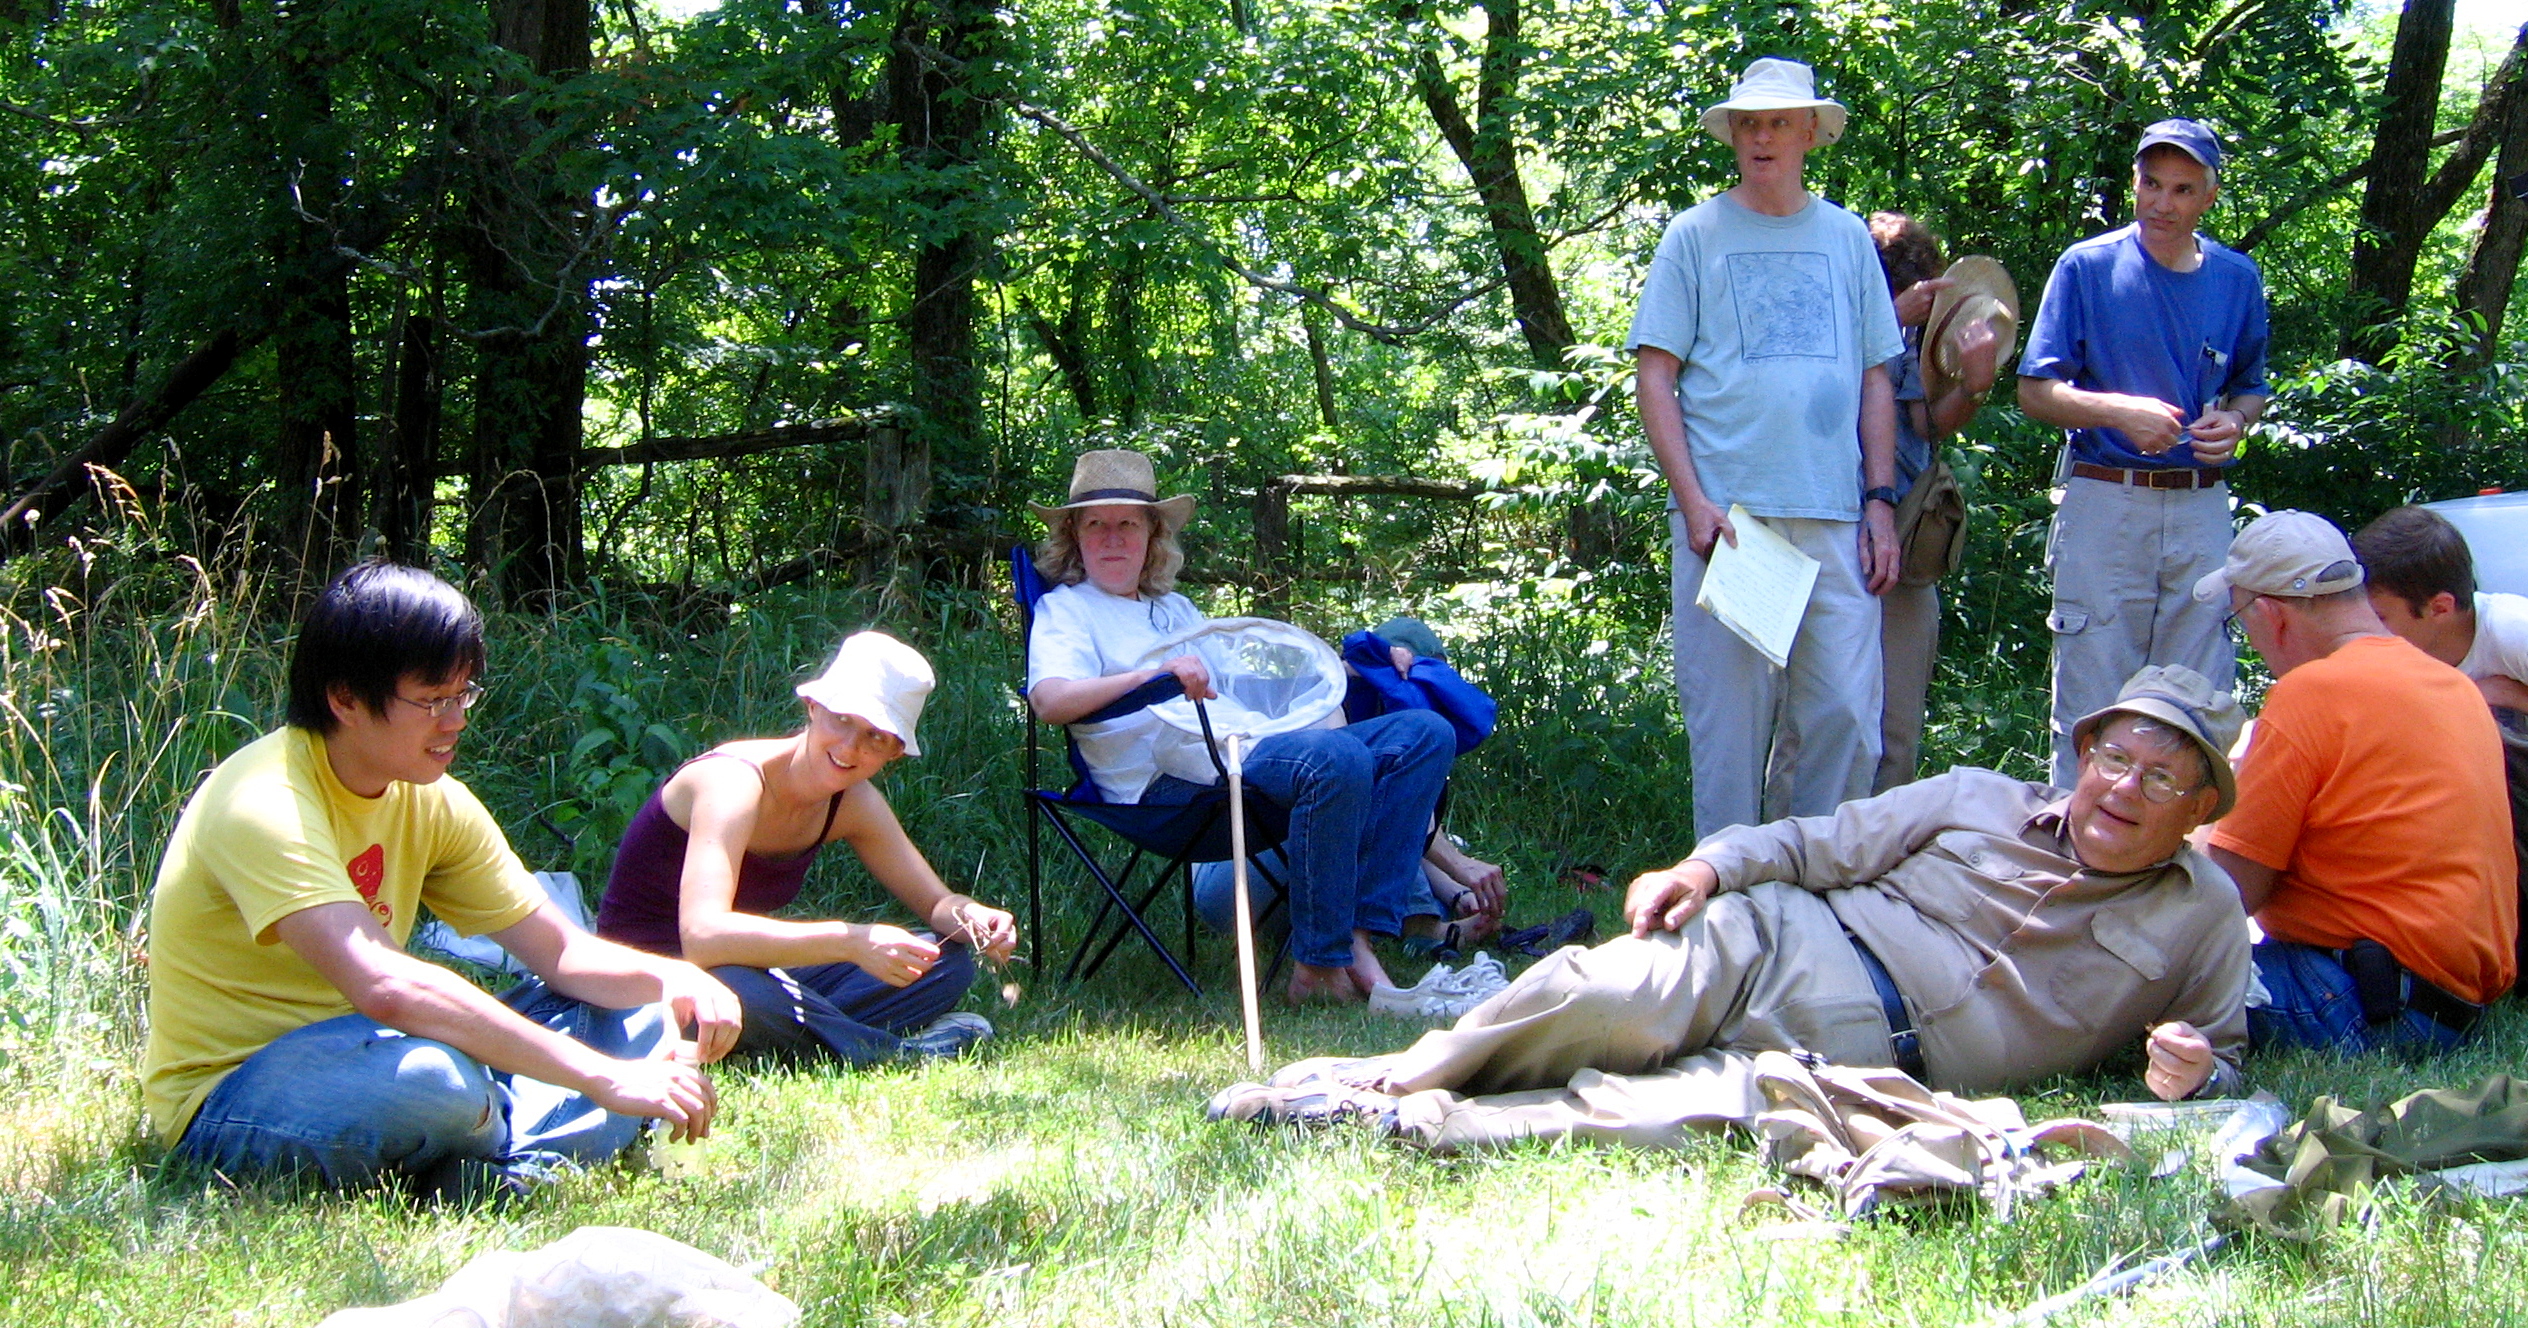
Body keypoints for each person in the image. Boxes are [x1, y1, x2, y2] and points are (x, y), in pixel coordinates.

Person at [1211, 666, 2254, 1151]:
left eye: (2162, 778)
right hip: (1788, 943)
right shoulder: (1975, 794)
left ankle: (1409, 1121)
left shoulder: (2200, 913)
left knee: (1654, 1113)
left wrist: (2196, 1068)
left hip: (1880, 1077)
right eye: (2114, 756)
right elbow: (1810, 839)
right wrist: (1704, 870)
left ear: (2200, 806)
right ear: (2084, 754)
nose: (2123, 787)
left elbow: (2222, 1053)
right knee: (1603, 991)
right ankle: (1375, 1072)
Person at [143, 562, 742, 1195]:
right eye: (432, 700)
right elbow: (386, 986)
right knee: (439, 1083)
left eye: (464, 695)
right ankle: (520, 1147)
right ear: (344, 698)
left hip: (380, 1048)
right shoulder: (264, 801)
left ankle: (493, 1168)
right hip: (239, 1093)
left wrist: (674, 977)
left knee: (637, 1013)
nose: (455, 720)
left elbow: (562, 953)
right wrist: (601, 1078)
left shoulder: (430, 798)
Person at [1024, 448, 1456, 1004]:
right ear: (1074, 538)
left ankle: (1358, 934)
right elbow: (1051, 700)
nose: (1112, 539)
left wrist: (1348, 671)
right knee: (1336, 759)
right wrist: (1151, 678)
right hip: (1168, 788)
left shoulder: (1176, 610)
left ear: (1152, 535)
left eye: (1127, 523)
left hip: (1238, 752)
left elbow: (1240, 694)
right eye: (1095, 525)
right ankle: (1318, 969)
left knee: (1422, 733)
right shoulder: (1068, 610)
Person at [1627, 57, 1906, 843]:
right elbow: (1656, 377)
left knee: (1847, 718)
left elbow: (1876, 380)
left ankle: (1808, 893)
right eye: (1748, 122)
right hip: (1734, 524)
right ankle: (1721, 912)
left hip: (1834, 515)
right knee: (1731, 734)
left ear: (1811, 132)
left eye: (1779, 121)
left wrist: (1882, 503)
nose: (1762, 136)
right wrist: (1694, 504)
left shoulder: (1847, 238)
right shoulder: (1696, 235)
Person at [593, 631, 1016, 1065]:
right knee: (745, 993)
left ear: (894, 753)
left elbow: (936, 901)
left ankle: (801, 1032)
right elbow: (702, 937)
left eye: (876, 736)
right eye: (843, 719)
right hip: (647, 978)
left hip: (741, 967)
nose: (850, 747)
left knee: (943, 961)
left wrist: (977, 920)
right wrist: (850, 942)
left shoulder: (853, 803)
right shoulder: (732, 782)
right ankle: (895, 1053)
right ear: (813, 708)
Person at [2195, 510, 2517, 1052]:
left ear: (2271, 615)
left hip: (2367, 1002)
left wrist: (2194, 825)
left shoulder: (2310, 694)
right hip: (2456, 1006)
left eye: (2240, 624)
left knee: (2147, 973)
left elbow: (2228, 896)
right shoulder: (2449, 681)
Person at [2018, 118, 2271, 788]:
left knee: (2197, 701)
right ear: (2133, 183)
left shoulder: (2236, 279)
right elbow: (2035, 391)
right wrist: (2117, 411)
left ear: (2207, 199)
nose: (2163, 203)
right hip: (2107, 498)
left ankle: (2177, 867)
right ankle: (2072, 862)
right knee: (2093, 700)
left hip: (2201, 508)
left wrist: (2237, 423)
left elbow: (2252, 386)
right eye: (2151, 184)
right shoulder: (2087, 266)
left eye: (2182, 190)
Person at [1865, 214, 2007, 791]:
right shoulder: (1829, 324)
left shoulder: (1918, 339)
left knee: (1897, 723)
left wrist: (1975, 383)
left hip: (1902, 538)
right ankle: (1785, 852)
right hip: (1825, 531)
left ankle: (1875, 858)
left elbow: (1928, 423)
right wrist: (1883, 321)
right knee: (1815, 718)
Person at [2350, 505, 2528, 713]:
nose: (2362, 629)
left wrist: (2512, 696)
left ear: (2440, 608)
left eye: (2379, 617)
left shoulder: (2515, 632)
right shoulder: (2387, 658)